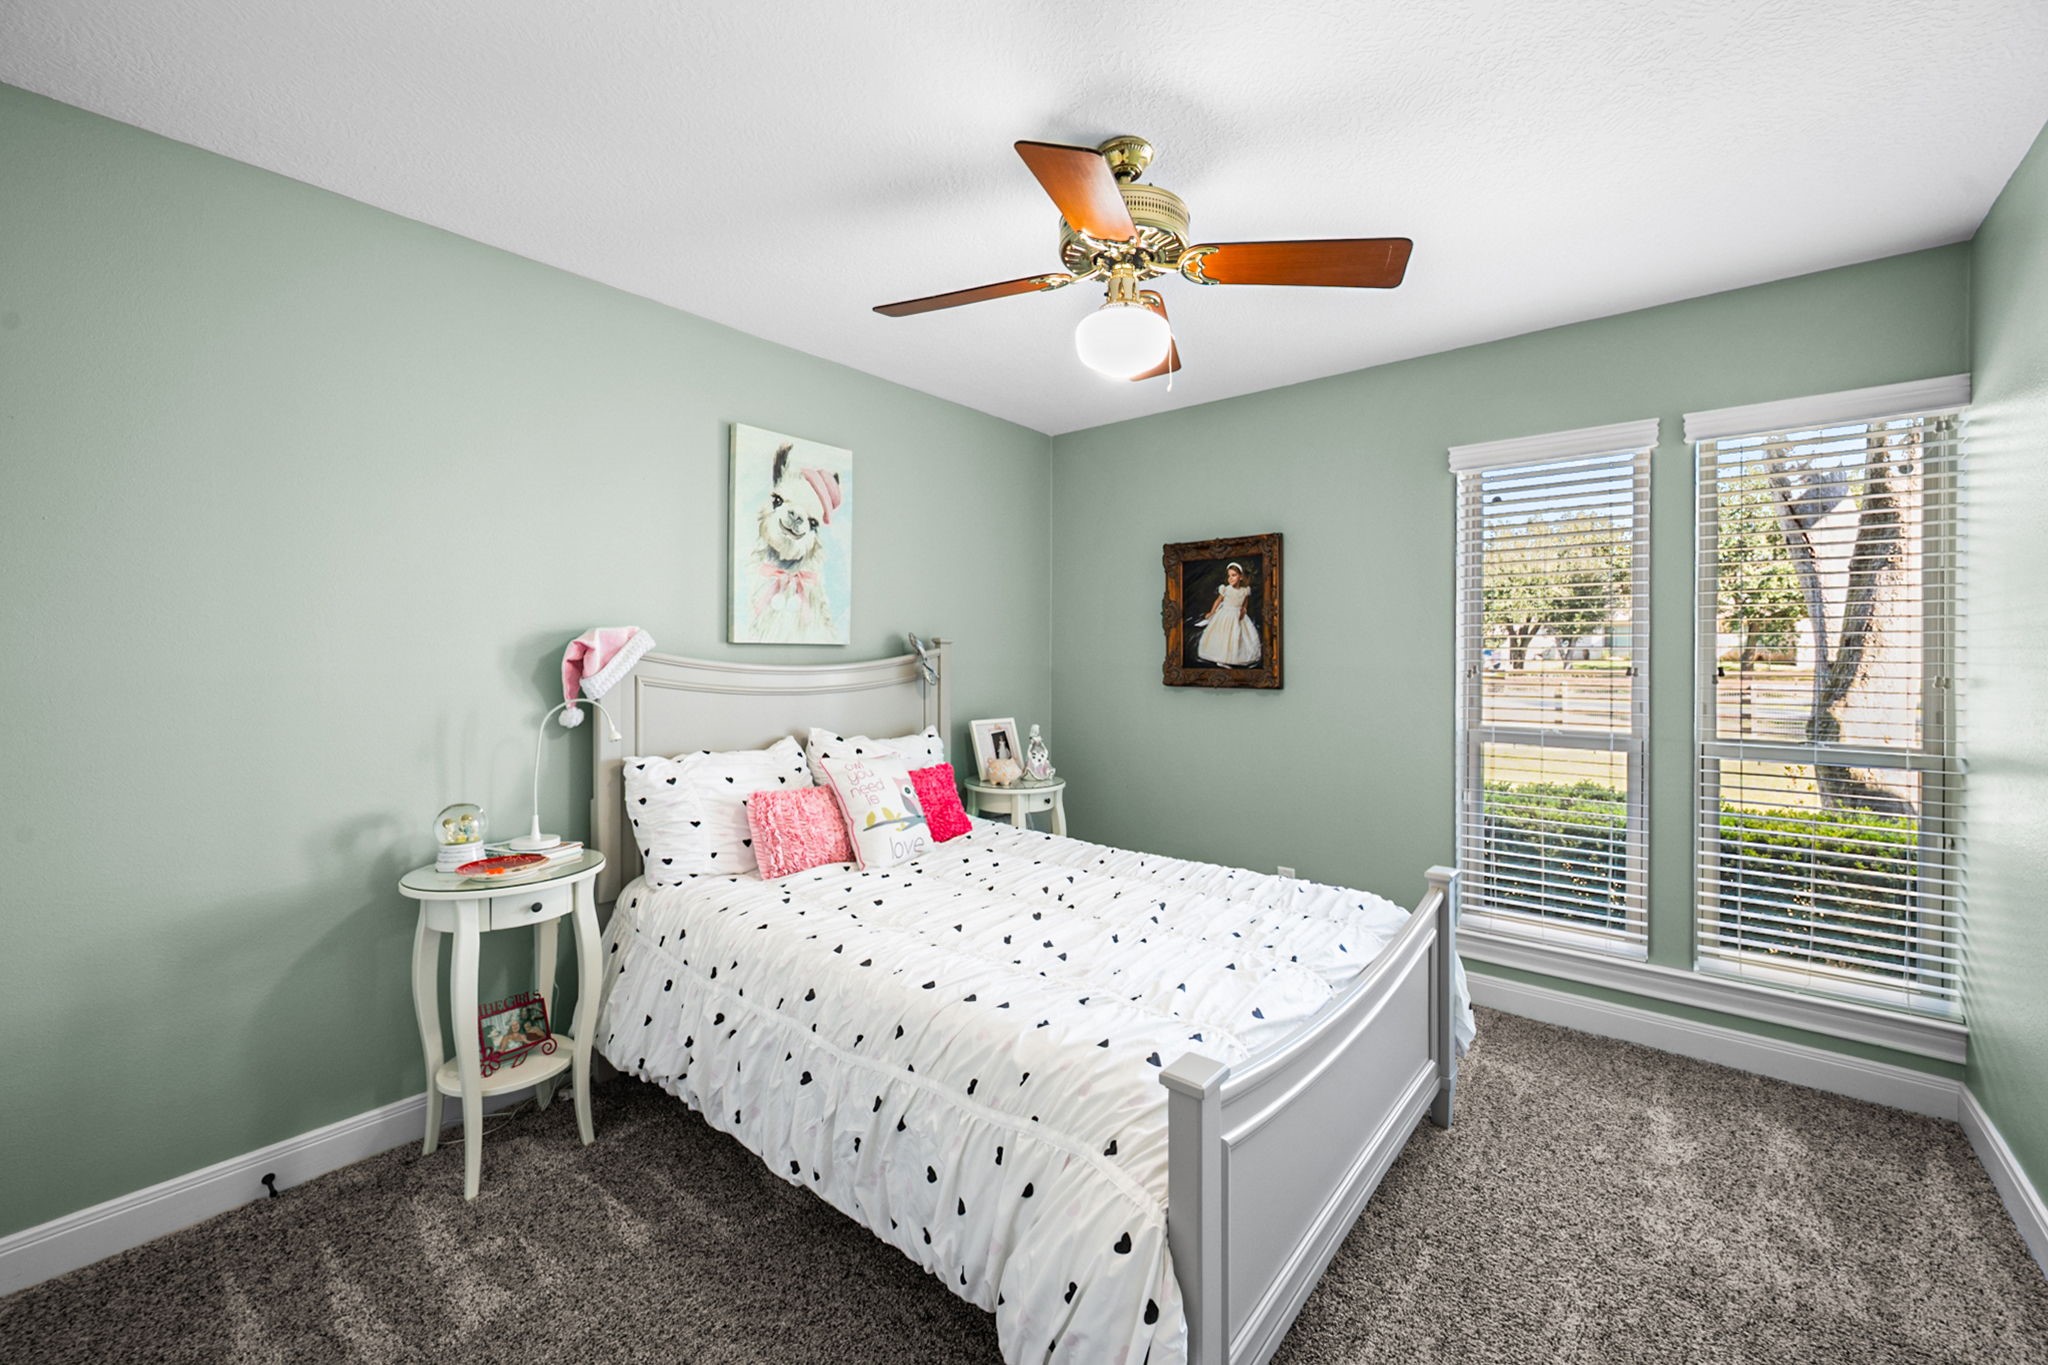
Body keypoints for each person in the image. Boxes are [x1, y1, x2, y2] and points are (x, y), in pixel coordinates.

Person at [1195, 562, 1261, 667]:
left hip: (1238, 615)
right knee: (1223, 636)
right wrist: (1212, 612)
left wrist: (1244, 609)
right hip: (1225, 614)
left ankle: (1234, 657)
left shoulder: (1245, 590)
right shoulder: (1226, 589)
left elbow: (1245, 601)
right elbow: (1218, 601)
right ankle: (1220, 658)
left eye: (1233, 575)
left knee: (1237, 636)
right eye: (1229, 575)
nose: (1230, 578)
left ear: (1241, 577)